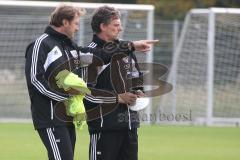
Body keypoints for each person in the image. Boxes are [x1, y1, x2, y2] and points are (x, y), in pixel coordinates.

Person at [84, 5, 158, 160]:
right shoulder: (89, 54)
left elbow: (136, 77)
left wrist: (139, 91)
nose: (120, 29)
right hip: (105, 128)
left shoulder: (126, 49)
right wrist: (117, 97)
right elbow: (85, 94)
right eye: (116, 25)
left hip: (130, 126)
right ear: (103, 26)